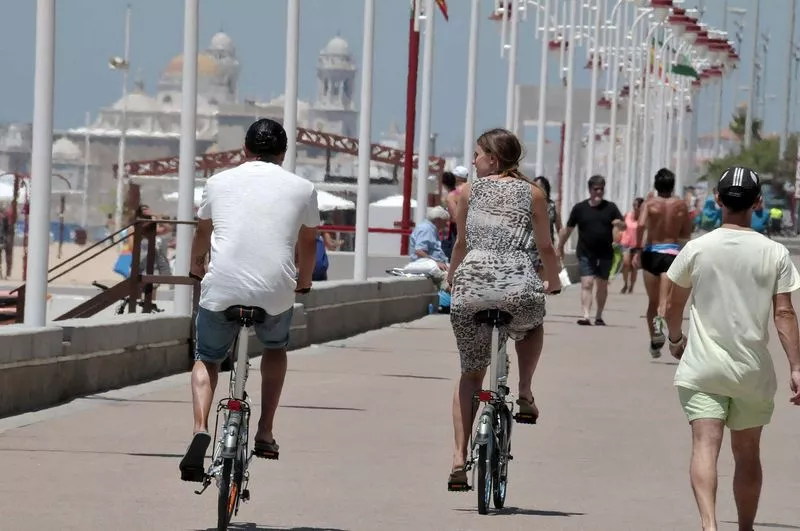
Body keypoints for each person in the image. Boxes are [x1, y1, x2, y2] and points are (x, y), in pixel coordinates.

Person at [179, 118, 320, 481]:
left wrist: (197, 267)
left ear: (245, 150)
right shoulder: (303, 187)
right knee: (275, 347)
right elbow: (307, 242)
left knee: (207, 357)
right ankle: (265, 431)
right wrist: (302, 282)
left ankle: (200, 428)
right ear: (284, 152)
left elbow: (203, 232)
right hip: (274, 289)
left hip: (223, 285)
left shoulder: (217, 182)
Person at [664, 166, 800, 531]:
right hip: (752, 372)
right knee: (747, 452)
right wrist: (796, 367)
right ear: (757, 203)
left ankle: (709, 525)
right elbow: (784, 312)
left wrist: (676, 340)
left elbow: (672, 306)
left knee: (705, 446)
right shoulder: (774, 253)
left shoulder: (697, 248)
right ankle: (744, 528)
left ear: (717, 199)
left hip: (703, 368)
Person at [446, 128, 560, 491]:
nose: (474, 160)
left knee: (470, 374)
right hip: (518, 285)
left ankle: (458, 459)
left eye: (478, 154)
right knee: (532, 324)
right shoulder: (534, 193)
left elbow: (461, 244)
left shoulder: (467, 191)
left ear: (492, 159)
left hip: (471, 288)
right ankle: (525, 391)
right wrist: (553, 281)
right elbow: (545, 247)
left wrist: (452, 279)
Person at [633, 168, 692, 358]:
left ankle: (654, 342)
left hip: (651, 253)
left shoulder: (649, 204)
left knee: (652, 300)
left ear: (656, 185)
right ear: (672, 185)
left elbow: (640, 225)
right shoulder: (681, 206)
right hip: (672, 255)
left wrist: (637, 250)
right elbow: (686, 233)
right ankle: (662, 320)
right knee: (666, 302)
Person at [557, 175, 625, 326]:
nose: (599, 192)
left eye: (601, 189)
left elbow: (623, 225)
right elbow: (568, 229)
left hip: (605, 253)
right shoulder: (580, 208)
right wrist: (560, 246)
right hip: (586, 252)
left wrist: (620, 224)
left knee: (601, 285)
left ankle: (599, 316)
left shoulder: (611, 208)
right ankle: (586, 315)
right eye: (596, 189)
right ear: (589, 190)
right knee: (587, 283)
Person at [409, 206, 450, 271]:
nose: (446, 224)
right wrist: (436, 262)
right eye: (445, 221)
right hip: (426, 265)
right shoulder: (426, 229)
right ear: (438, 220)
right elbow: (419, 251)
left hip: (434, 264)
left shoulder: (431, 230)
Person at [619, 197, 644, 294]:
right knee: (626, 264)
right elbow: (621, 226)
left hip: (637, 245)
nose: (635, 207)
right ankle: (625, 283)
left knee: (634, 267)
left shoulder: (643, 219)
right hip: (625, 243)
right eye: (634, 205)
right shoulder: (627, 215)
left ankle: (632, 286)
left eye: (637, 205)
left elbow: (644, 233)